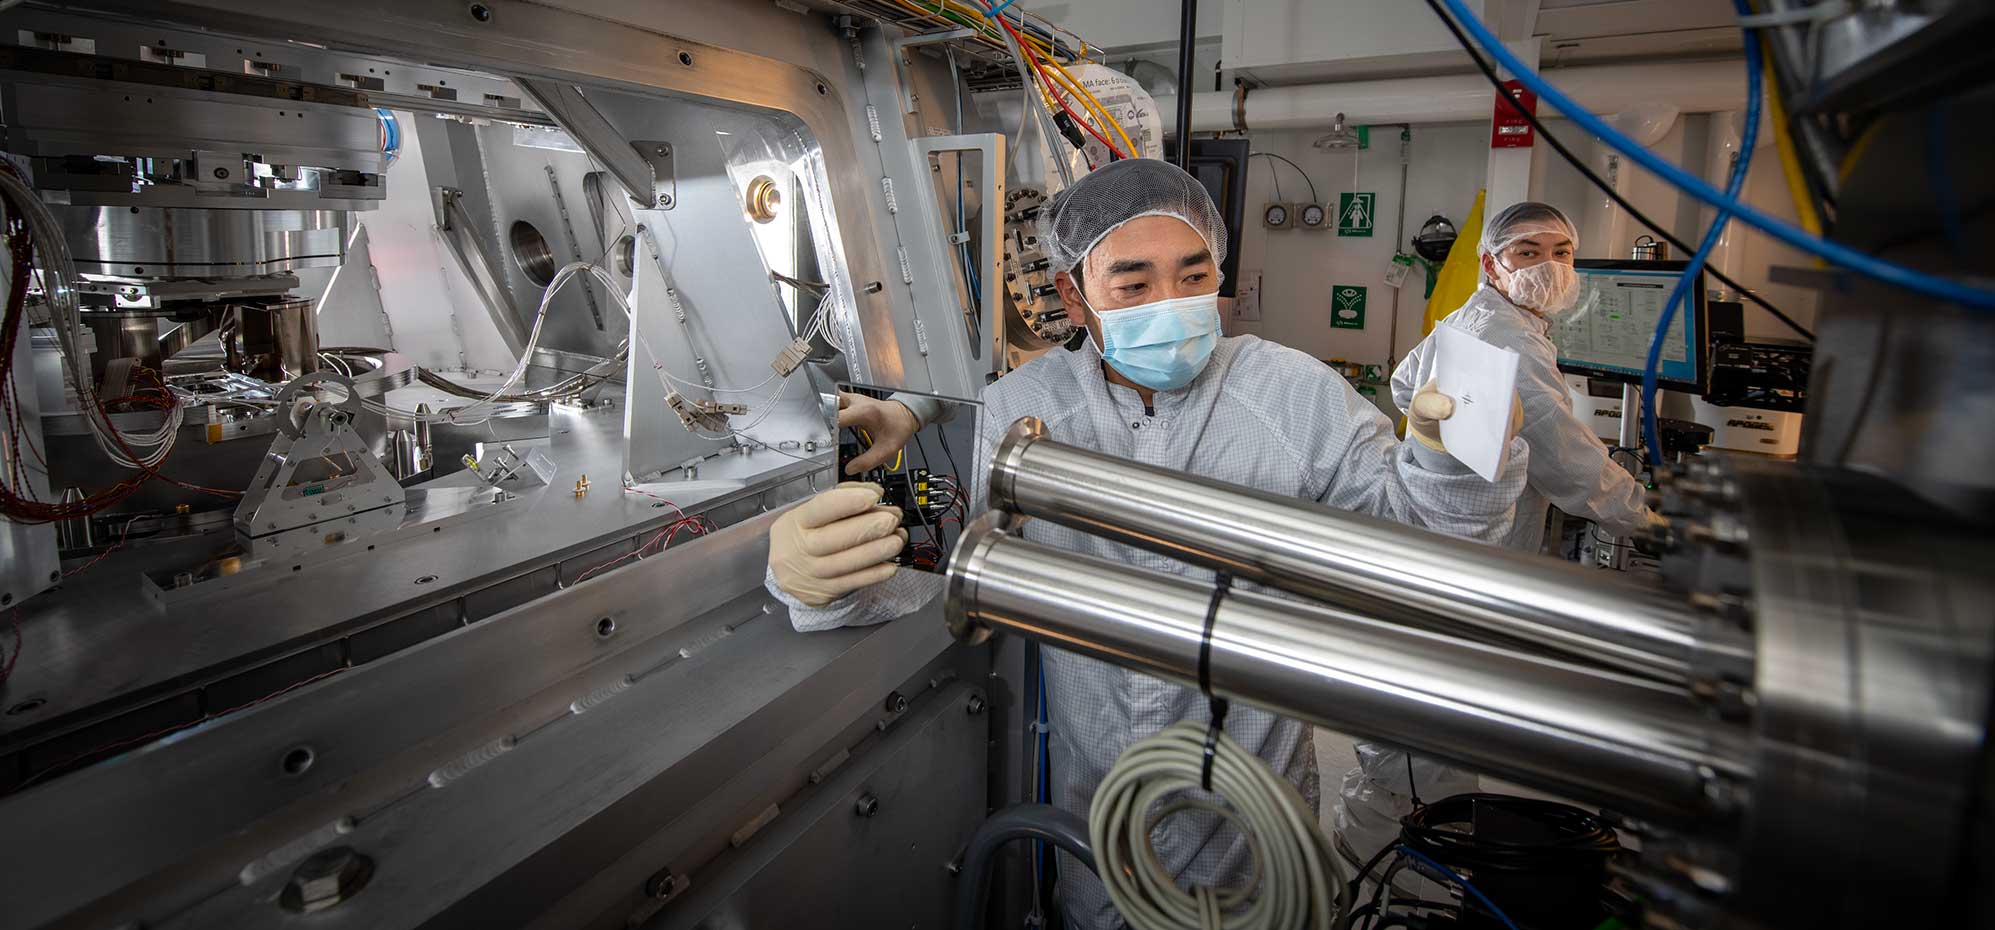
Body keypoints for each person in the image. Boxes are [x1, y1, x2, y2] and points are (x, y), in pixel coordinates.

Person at [766, 159, 1530, 930]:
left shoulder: (1293, 396)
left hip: (1260, 834)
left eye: (1191, 276)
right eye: (1132, 285)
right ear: (1073, 295)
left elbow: (1423, 548)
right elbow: (938, 572)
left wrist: (1452, 461)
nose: (1170, 303)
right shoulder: (1021, 408)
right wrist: (821, 581)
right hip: (1096, 829)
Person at [1391, 201, 1661, 556]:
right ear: (1491, 265)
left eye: (1561, 253)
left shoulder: (1472, 314)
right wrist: (1644, 521)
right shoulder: (1511, 340)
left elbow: (1404, 383)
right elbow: (1569, 464)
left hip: (1440, 514)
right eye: (1528, 253)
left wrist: (1446, 442)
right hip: (1487, 538)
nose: (1549, 266)